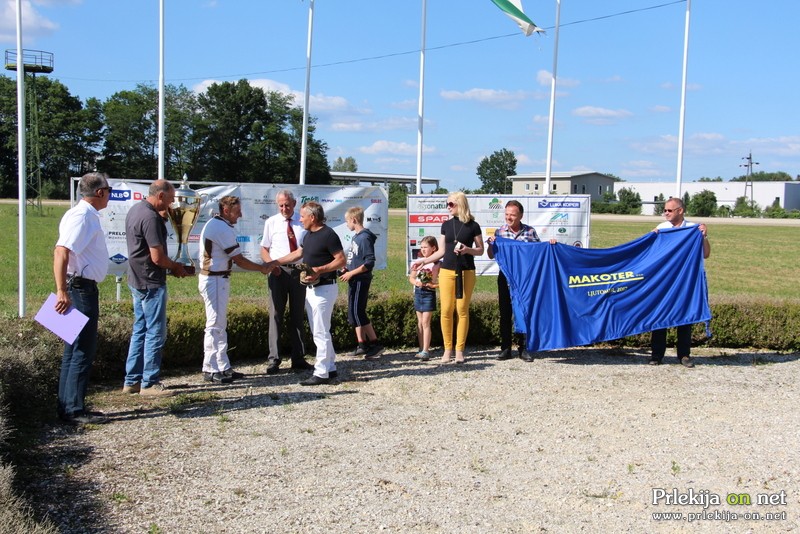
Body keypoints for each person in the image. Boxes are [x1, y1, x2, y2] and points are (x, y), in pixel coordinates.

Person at [52, 172, 112, 424]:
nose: (110, 195)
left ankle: (67, 405)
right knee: (82, 350)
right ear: (99, 192)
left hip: (78, 286)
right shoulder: (83, 216)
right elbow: (61, 251)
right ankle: (73, 410)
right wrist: (62, 290)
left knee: (73, 348)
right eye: (108, 190)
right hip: (80, 288)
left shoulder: (80, 214)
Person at [123, 180, 190, 397]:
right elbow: (158, 257)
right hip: (151, 281)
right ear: (160, 196)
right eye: (170, 200)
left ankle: (131, 380)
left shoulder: (137, 209)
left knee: (140, 329)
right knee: (155, 332)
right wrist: (176, 267)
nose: (172, 205)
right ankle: (149, 382)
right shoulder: (150, 217)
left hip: (136, 278)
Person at [267, 202, 345, 386]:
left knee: (320, 331)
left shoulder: (328, 235)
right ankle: (330, 366)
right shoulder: (308, 235)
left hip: (324, 288)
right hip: (311, 289)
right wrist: (275, 262)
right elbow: (298, 253)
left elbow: (341, 260)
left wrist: (320, 270)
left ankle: (321, 372)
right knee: (320, 328)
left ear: (313, 217)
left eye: (302, 216)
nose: (299, 219)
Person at [198, 196, 272, 383]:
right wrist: (261, 268)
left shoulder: (219, 225)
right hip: (213, 278)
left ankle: (222, 365)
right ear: (225, 210)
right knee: (214, 325)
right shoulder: (220, 227)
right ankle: (210, 368)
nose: (240, 215)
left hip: (218, 278)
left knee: (220, 324)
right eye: (237, 211)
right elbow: (239, 259)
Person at [411, 192, 484, 364]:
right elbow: (441, 251)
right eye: (447, 204)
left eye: (451, 204)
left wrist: (468, 249)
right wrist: (423, 261)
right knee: (446, 311)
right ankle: (447, 349)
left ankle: (459, 350)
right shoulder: (446, 225)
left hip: (466, 272)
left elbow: (480, 250)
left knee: (462, 311)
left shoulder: (473, 226)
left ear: (460, 204)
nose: (448, 207)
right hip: (447, 271)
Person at [650, 197, 711, 368]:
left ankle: (684, 355)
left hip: (685, 282)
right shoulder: (662, 228)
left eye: (669, 210)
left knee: (684, 318)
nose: (666, 213)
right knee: (659, 316)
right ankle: (656, 355)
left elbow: (705, 254)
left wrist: (704, 236)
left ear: (680, 211)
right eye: (665, 210)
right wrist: (651, 237)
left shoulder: (693, 229)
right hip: (664, 282)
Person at [260, 190, 314, 374]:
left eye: (288, 205)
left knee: (297, 315)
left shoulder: (302, 221)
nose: (284, 208)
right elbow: (264, 249)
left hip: (298, 271)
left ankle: (298, 358)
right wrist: (271, 265)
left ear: (295, 203)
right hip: (277, 272)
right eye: (281, 205)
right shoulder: (271, 222)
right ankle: (274, 359)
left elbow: (305, 249)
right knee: (275, 315)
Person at [486, 200, 540, 362]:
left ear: (521, 215)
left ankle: (523, 349)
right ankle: (505, 349)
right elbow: (490, 255)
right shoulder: (500, 232)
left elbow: (539, 253)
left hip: (524, 280)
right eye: (507, 214)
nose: (509, 217)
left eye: (513, 215)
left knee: (523, 312)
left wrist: (550, 244)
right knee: (505, 313)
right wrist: (491, 244)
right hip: (505, 277)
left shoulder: (530, 232)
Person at [339, 206, 383, 359]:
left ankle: (375, 343)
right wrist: (347, 269)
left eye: (347, 221)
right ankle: (361, 344)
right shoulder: (356, 237)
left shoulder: (364, 238)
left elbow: (369, 262)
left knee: (358, 312)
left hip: (360, 280)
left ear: (354, 220)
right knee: (353, 312)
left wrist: (352, 272)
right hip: (353, 279)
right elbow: (356, 259)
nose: (346, 225)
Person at [408, 236, 440, 361]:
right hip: (418, 293)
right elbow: (411, 277)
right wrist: (416, 283)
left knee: (426, 322)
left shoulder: (437, 263)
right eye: (421, 247)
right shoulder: (418, 261)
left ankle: (426, 350)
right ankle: (421, 348)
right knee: (420, 323)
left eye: (425, 247)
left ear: (433, 248)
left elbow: (442, 282)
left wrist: (433, 285)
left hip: (429, 293)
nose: (423, 249)